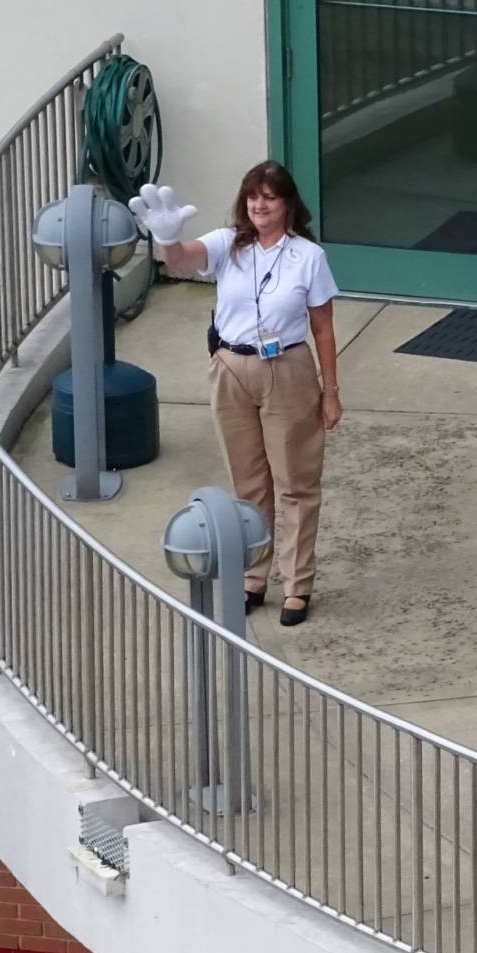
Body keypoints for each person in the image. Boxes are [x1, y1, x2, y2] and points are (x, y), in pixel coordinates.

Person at [129, 166, 341, 628]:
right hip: (230, 365)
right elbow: (182, 258)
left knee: (295, 484)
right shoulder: (230, 243)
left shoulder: (308, 257)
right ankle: (253, 577)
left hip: (286, 367)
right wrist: (167, 238)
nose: (259, 206)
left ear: (288, 204)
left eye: (269, 198)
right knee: (248, 482)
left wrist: (331, 393)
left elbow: (322, 329)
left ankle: (297, 584)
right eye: (252, 198)